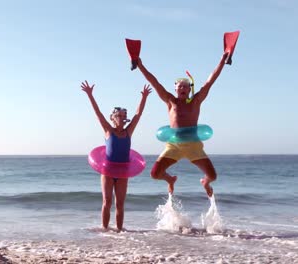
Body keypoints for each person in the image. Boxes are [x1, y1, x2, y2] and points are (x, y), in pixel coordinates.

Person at [136, 51, 229, 197]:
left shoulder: (196, 100)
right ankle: (169, 179)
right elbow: (155, 83)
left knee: (213, 176)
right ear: (175, 89)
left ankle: (205, 182)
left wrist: (222, 61)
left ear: (189, 89)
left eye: (185, 86)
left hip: (194, 145)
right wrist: (140, 65)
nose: (182, 89)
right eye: (179, 86)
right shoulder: (170, 101)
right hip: (174, 145)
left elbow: (210, 81)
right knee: (155, 174)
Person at [81, 80, 151, 231]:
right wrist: (90, 95)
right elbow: (98, 113)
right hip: (107, 171)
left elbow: (138, 115)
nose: (121, 117)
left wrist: (144, 97)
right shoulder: (108, 130)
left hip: (123, 171)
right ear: (113, 118)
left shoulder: (128, 131)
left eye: (123, 115)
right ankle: (105, 230)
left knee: (120, 204)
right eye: (118, 115)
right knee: (107, 202)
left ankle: (119, 232)